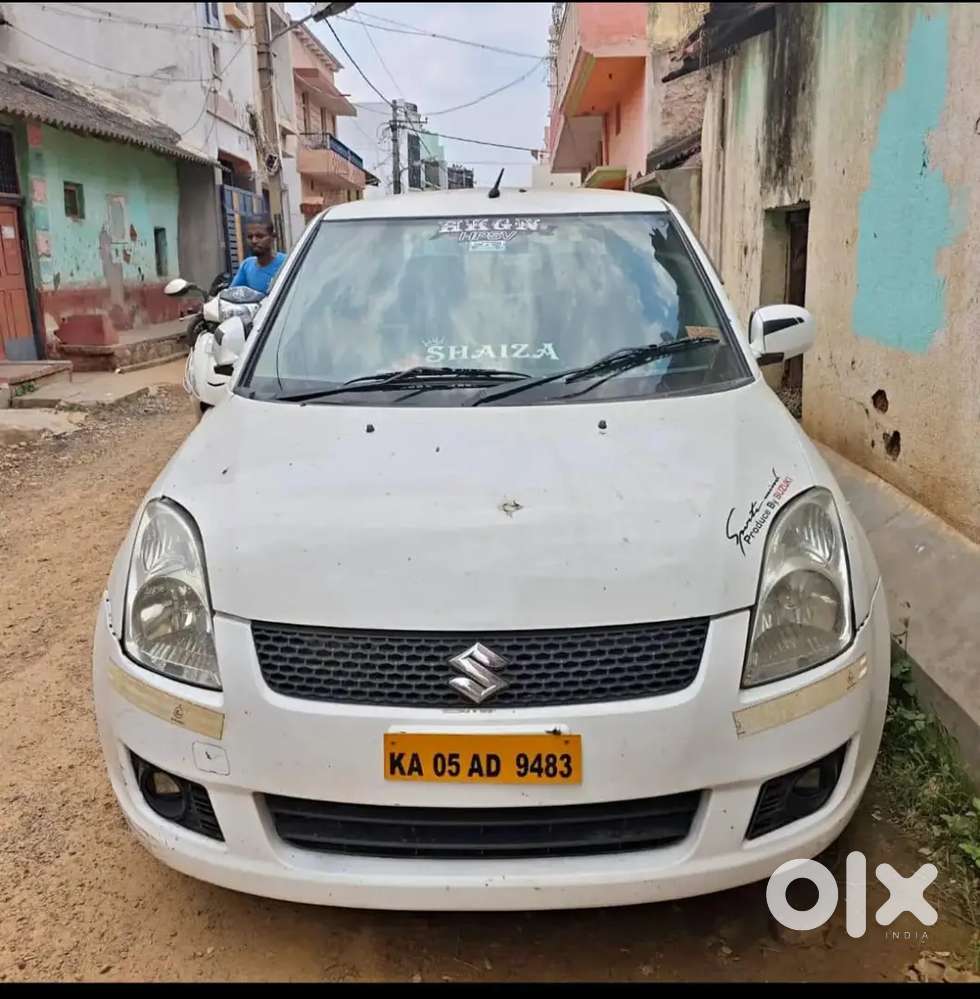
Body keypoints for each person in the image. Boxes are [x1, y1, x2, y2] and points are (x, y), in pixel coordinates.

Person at [230, 216, 287, 294]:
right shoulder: (246, 266)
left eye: (260, 236)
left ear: (272, 237)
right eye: (250, 237)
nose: (254, 241)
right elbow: (233, 294)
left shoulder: (287, 263)